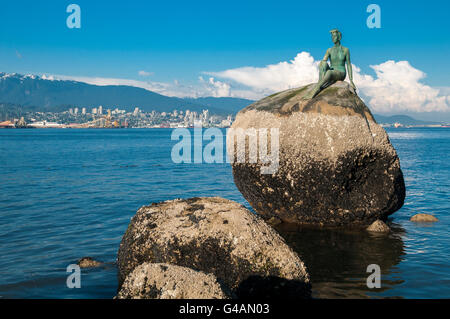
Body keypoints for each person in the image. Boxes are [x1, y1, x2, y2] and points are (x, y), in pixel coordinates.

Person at [304, 29, 356, 99]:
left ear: (339, 37)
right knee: (323, 64)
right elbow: (324, 61)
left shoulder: (345, 50)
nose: (333, 38)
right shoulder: (329, 50)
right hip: (332, 70)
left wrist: (351, 80)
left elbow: (349, 64)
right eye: (332, 37)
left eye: (334, 36)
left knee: (329, 72)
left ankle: (316, 89)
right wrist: (323, 63)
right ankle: (320, 84)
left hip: (341, 72)